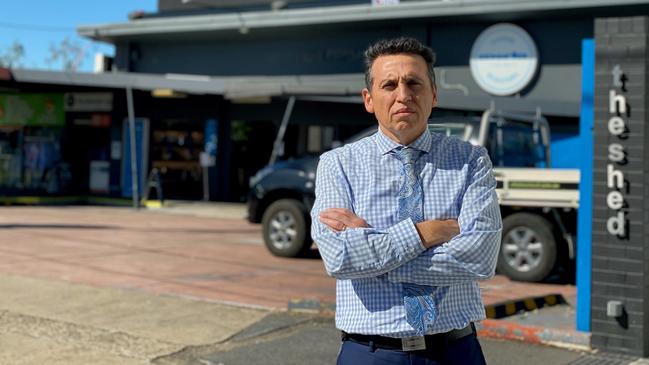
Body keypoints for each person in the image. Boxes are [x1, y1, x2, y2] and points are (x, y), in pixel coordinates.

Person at [310, 37, 502, 364]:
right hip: (370, 353)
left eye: (414, 82)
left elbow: (480, 259)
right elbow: (340, 259)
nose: (403, 95)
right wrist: (429, 232)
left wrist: (375, 252)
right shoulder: (337, 164)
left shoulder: (471, 160)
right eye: (389, 84)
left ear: (434, 94)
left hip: (453, 351)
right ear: (369, 99)